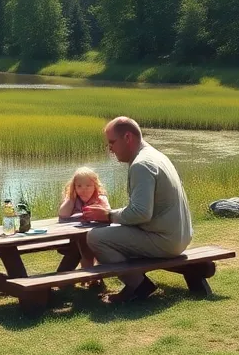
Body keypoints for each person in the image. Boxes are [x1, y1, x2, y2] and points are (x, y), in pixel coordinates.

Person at [81, 117, 194, 303]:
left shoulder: (141, 165)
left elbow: (141, 213)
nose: (110, 149)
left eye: (112, 143)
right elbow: (144, 210)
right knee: (108, 234)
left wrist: (108, 215)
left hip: (165, 241)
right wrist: (110, 215)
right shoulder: (156, 156)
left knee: (95, 238)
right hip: (181, 237)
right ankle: (137, 282)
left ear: (127, 137)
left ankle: (138, 285)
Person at [58, 167, 109, 271]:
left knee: (87, 248)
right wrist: (71, 198)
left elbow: (108, 214)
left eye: (88, 186)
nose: (84, 189)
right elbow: (62, 214)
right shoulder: (73, 200)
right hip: (74, 238)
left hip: (97, 236)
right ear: (74, 187)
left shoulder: (100, 199)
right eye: (79, 186)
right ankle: (85, 273)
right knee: (77, 249)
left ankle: (91, 275)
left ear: (95, 187)